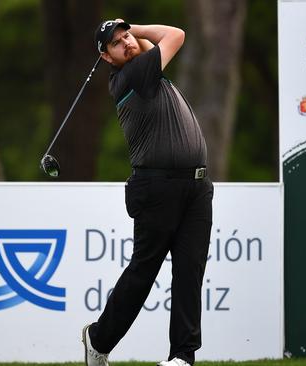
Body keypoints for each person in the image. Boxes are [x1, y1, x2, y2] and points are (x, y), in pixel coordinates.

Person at [82, 19, 213, 366]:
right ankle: (99, 338)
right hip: (157, 187)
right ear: (107, 58)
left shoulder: (148, 69)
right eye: (116, 43)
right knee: (143, 272)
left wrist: (131, 34)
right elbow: (177, 34)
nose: (126, 42)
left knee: (189, 271)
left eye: (126, 36)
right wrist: (138, 28)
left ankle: (182, 357)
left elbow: (164, 42)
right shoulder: (131, 75)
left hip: (196, 187)